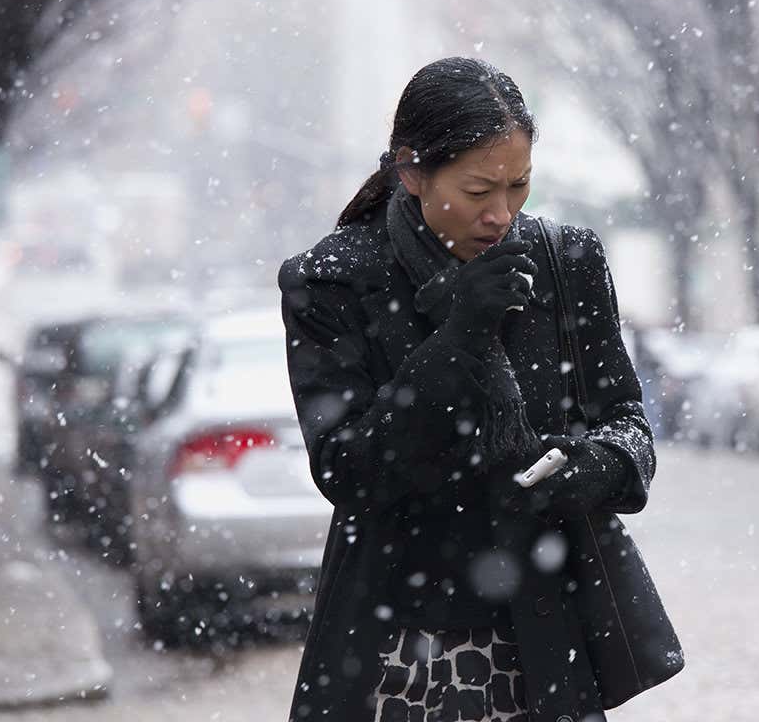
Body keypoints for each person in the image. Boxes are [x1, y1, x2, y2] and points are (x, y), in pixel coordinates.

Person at [279, 57, 681, 722]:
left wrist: (598, 467)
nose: (501, 214)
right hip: (396, 648)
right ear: (410, 172)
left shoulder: (565, 261)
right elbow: (346, 467)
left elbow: (627, 421)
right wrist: (460, 336)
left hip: (543, 637)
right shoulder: (332, 281)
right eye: (477, 191)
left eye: (518, 186)